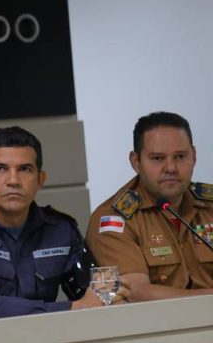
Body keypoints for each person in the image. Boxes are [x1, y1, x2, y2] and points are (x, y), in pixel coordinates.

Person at [0, 126, 113, 321]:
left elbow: (95, 297)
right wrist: (70, 308)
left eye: (25, 169)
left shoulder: (61, 230)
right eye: (0, 169)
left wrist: (109, 293)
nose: (13, 181)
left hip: (52, 336)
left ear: (40, 180)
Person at [86, 111, 213, 300]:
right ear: (136, 162)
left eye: (180, 156)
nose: (171, 168)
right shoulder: (113, 220)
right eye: (157, 158)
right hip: (160, 319)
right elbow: (136, 294)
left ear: (193, 157)